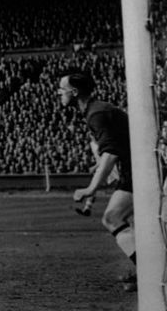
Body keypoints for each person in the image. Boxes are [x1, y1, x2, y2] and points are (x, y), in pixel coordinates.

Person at [59, 71, 136, 291]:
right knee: (129, 222)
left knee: (113, 217)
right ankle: (149, 270)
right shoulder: (96, 110)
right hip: (137, 168)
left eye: (62, 89)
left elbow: (111, 153)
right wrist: (98, 166)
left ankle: (154, 272)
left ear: (74, 92)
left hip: (140, 170)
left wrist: (91, 188)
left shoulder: (96, 113)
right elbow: (112, 148)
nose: (59, 93)